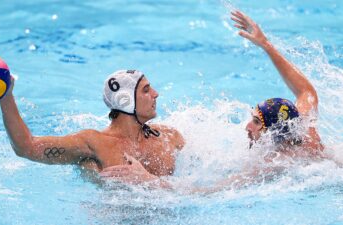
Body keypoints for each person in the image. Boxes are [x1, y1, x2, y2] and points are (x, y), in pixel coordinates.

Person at [100, 10, 325, 188]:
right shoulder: (304, 127)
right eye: (252, 117)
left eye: (257, 122)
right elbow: (307, 93)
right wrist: (265, 44)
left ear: (274, 131)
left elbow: (207, 194)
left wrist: (148, 181)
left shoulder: (274, 164)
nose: (247, 126)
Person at [0, 69, 185, 182]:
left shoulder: (170, 137)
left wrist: (148, 181)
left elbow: (207, 186)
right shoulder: (93, 144)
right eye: (146, 90)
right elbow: (26, 147)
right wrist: (6, 95)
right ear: (125, 100)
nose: (156, 93)